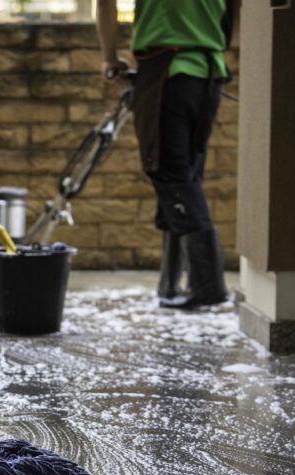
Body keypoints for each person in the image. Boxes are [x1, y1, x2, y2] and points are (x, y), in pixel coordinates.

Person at [96, 0, 234, 308]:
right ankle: (170, 283)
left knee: (170, 174)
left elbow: (105, 3)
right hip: (208, 72)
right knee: (186, 175)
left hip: (166, 71)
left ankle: (208, 286)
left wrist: (109, 58)